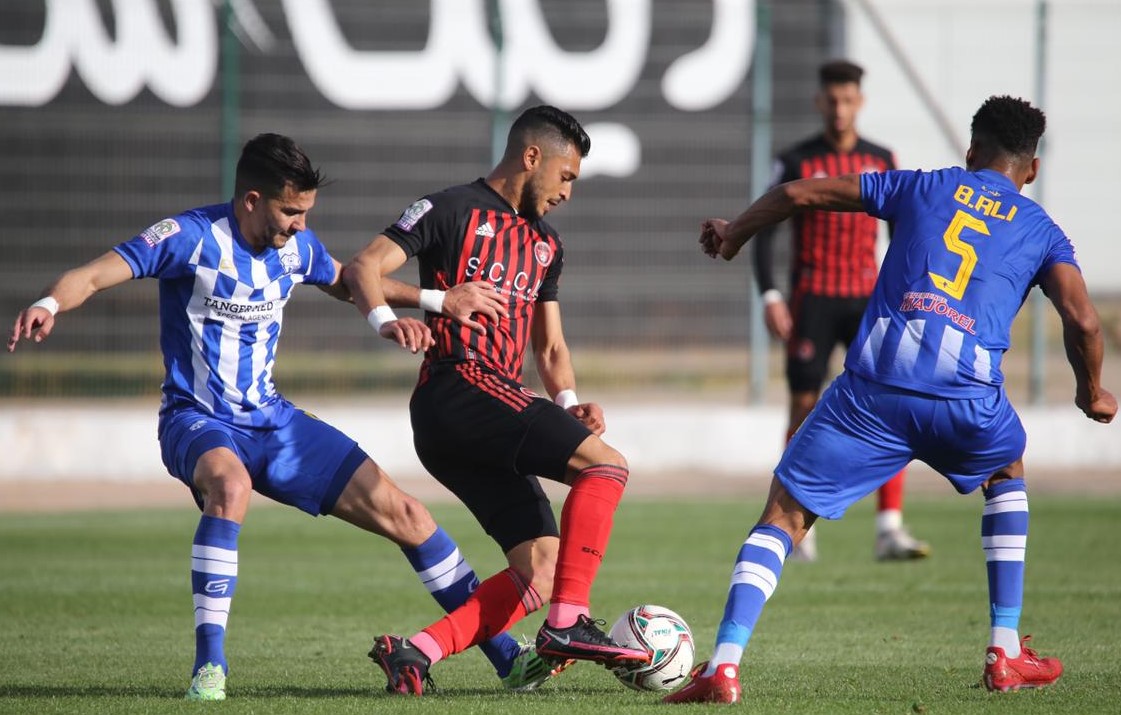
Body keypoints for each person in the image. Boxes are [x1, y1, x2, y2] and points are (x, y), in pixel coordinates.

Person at [6, 133, 568, 700]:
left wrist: (433, 301)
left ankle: (506, 659)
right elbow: (97, 274)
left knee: (408, 514)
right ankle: (210, 669)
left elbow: (349, 280)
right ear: (252, 201)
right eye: (291, 211)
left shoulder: (296, 248)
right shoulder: (189, 238)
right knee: (230, 485)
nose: (301, 225)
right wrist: (49, 303)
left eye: (307, 213)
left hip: (273, 422)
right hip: (196, 419)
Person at [665, 95, 1117, 704]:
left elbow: (801, 195)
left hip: (872, 395)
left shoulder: (921, 187)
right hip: (967, 401)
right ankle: (1005, 648)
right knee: (1007, 470)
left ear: (971, 153)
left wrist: (735, 233)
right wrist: (1092, 391)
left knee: (786, 515)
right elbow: (1084, 322)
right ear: (1030, 171)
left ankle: (723, 665)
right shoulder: (1042, 230)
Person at [343, 105, 651, 696]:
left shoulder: (546, 245)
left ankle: (415, 652)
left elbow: (552, 345)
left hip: (484, 409)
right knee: (607, 467)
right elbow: (363, 268)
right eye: (566, 177)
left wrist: (568, 403)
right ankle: (567, 623)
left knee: (538, 568)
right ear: (531, 157)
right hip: (458, 386)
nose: (566, 192)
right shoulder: (450, 208)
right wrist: (403, 314)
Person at [753, 60, 928, 561]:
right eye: (832, 100)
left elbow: (906, 233)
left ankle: (889, 527)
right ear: (819, 102)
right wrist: (770, 294)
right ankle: (795, 525)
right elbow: (766, 230)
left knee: (892, 406)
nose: (839, 109)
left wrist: (907, 295)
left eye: (848, 100)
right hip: (813, 300)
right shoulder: (795, 161)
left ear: (860, 102)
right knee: (804, 409)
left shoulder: (881, 159)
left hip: (869, 302)